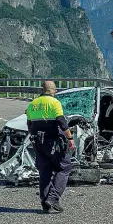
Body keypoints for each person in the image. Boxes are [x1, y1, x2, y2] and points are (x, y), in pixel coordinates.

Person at [26, 81, 75, 214]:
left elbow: (29, 124)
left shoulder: (33, 104)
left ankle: (44, 202)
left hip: (37, 142)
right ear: (54, 91)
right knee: (64, 167)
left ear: (42, 90)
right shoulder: (54, 102)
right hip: (53, 142)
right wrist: (70, 138)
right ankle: (53, 198)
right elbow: (61, 121)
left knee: (45, 171)